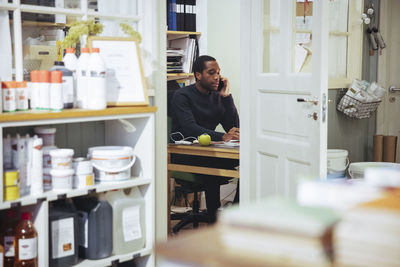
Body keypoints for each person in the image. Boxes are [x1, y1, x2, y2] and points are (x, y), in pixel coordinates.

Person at [170, 55, 240, 223]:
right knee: (213, 165)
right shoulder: (182, 95)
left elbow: (234, 126)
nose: (216, 77)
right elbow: (190, 129)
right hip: (185, 153)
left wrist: (226, 97)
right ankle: (214, 217)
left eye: (218, 73)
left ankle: (237, 214)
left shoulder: (218, 97)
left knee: (250, 164)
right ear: (198, 75)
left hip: (210, 151)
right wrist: (223, 137)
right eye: (211, 72)